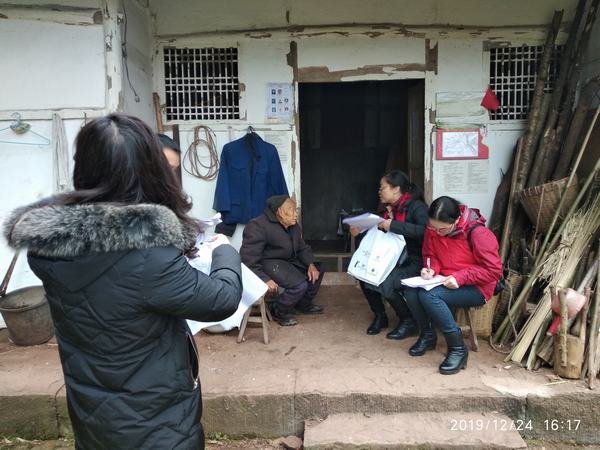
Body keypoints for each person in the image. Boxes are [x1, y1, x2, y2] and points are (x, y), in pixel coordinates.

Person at [3, 114, 243, 449]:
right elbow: (222, 299)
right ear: (151, 170)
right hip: (157, 427)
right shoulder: (148, 255)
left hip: (92, 416)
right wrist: (224, 251)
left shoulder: (49, 246)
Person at [403, 196, 502, 375]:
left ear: (456, 220)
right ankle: (428, 335)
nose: (436, 232)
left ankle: (458, 349)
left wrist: (460, 277)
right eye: (432, 227)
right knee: (410, 291)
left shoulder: (478, 233)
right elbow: (429, 254)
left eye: (442, 229)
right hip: (445, 279)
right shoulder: (433, 229)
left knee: (429, 296)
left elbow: (493, 270)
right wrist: (430, 269)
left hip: (477, 287)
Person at [350, 170, 428, 338]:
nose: (379, 191)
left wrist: (392, 225)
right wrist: (360, 230)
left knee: (385, 281)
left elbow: (425, 232)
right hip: (393, 258)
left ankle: (408, 321)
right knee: (365, 274)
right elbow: (382, 234)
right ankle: (380, 316)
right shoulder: (390, 209)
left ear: (396, 189)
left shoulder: (417, 207)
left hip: (415, 261)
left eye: (382, 188)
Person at [240, 194, 324, 326]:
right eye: (291, 210)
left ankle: (303, 304)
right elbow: (248, 259)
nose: (296, 214)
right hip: (268, 262)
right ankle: (279, 310)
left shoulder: (293, 225)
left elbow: (302, 247)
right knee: (299, 285)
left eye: (296, 210)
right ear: (279, 211)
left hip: (288, 260)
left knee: (318, 269)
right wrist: (264, 279)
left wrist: (310, 264)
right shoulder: (258, 225)